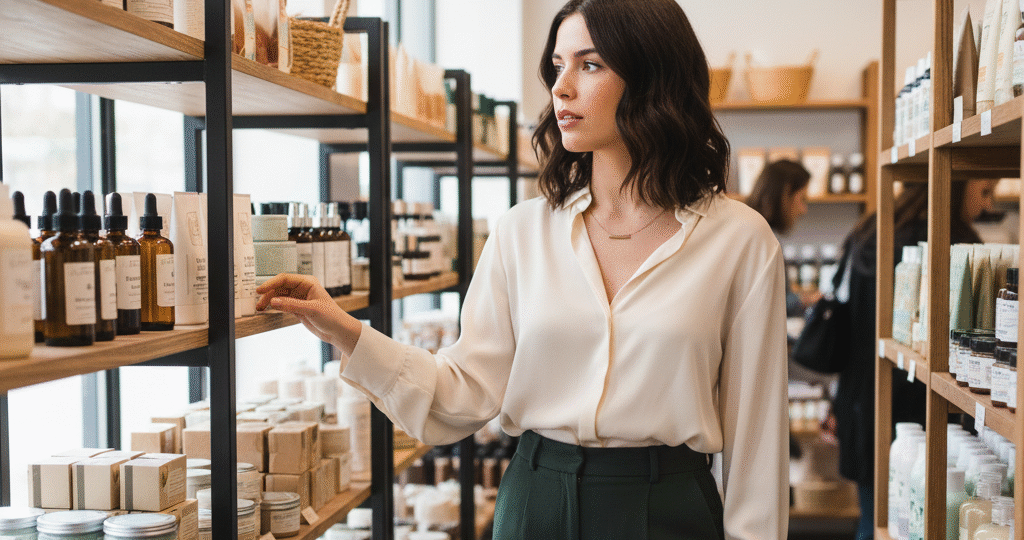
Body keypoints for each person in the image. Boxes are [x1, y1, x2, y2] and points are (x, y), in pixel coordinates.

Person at [257, 1, 789, 538]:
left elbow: (757, 437)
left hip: (670, 508)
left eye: (590, 64)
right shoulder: (522, 232)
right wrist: (346, 332)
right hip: (537, 503)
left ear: (653, 76)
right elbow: (462, 395)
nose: (561, 87)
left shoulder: (739, 240)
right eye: (557, 66)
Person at [827, 179, 995, 540]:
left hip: (861, 402)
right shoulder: (955, 242)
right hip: (923, 409)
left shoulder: (870, 231)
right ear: (955, 187)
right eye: (984, 191)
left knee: (875, 520)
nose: (986, 204)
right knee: (919, 523)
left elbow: (843, 325)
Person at [745, 159, 818, 317]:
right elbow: (767, 303)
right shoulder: (760, 238)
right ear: (786, 194)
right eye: (802, 199)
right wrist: (807, 300)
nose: (803, 210)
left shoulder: (755, 231)